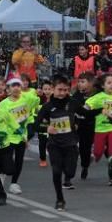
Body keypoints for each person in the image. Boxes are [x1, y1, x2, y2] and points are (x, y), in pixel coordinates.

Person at [36, 75, 79, 211]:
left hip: (71, 143)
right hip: (55, 144)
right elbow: (34, 125)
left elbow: (85, 114)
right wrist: (46, 128)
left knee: (70, 172)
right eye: (59, 90)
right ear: (53, 89)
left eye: (65, 90)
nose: (62, 93)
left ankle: (68, 177)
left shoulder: (72, 102)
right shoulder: (47, 106)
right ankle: (60, 199)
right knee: (56, 171)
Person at [0, 76, 38, 194]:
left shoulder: (27, 99)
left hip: (22, 136)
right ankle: (2, 173)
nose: (16, 88)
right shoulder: (3, 104)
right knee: (7, 161)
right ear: (8, 89)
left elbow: (37, 102)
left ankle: (14, 183)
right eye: (13, 86)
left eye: (18, 85)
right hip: (8, 137)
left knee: (19, 161)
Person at [84, 73, 112, 184]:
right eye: (109, 83)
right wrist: (85, 110)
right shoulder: (98, 97)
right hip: (100, 128)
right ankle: (93, 155)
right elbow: (87, 106)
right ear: (102, 85)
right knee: (98, 153)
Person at [70, 72, 97, 180]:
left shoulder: (96, 95)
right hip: (77, 125)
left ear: (90, 83)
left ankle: (85, 166)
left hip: (90, 125)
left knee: (85, 149)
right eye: (79, 82)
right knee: (72, 147)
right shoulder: (76, 95)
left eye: (83, 82)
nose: (80, 84)